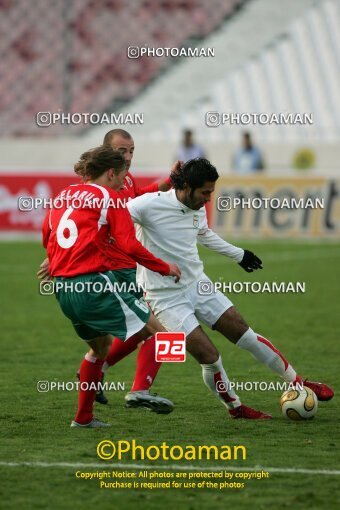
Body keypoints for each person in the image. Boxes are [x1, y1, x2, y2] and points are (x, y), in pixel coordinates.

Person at [125, 158, 334, 419]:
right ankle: (235, 408)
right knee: (210, 357)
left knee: (245, 335)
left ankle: (298, 382)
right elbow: (112, 218)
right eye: (205, 192)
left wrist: (239, 255)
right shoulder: (148, 205)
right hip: (164, 298)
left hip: (198, 285)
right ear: (187, 186)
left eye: (211, 192)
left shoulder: (197, 207)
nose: (209, 199)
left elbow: (205, 234)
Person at [38, 128, 179, 414]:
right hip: (101, 279)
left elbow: (48, 231)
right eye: (121, 154)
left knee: (100, 348)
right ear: (111, 171)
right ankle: (140, 390)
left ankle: (84, 416)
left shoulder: (66, 194)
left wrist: (52, 257)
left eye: (131, 152)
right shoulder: (110, 196)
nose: (127, 160)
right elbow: (129, 244)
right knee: (166, 337)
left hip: (64, 288)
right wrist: (165, 267)